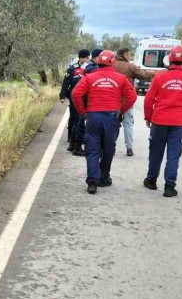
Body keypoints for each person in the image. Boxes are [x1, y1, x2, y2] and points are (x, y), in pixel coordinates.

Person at [71, 50, 138, 194]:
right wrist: (122, 110)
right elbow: (132, 96)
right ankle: (104, 176)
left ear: (98, 61)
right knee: (108, 148)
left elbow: (76, 94)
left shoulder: (89, 77)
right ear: (112, 62)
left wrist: (83, 112)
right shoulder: (121, 78)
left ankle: (92, 182)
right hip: (111, 117)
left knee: (92, 149)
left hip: (93, 117)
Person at [142, 45, 182, 198]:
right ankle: (169, 186)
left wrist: (148, 117)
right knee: (173, 155)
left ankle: (151, 180)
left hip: (159, 121)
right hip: (178, 124)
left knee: (155, 152)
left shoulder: (159, 77)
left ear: (170, 58)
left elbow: (148, 99)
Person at [113, 47, 156, 156]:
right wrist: (156, 74)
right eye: (130, 55)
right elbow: (144, 76)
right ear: (125, 55)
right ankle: (129, 148)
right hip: (127, 100)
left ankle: (111, 145)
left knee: (112, 124)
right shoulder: (131, 67)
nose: (131, 57)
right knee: (128, 124)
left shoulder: (112, 64)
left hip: (112, 101)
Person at [59, 49, 90, 154]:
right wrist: (62, 95)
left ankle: (72, 141)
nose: (87, 59)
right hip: (74, 97)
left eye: (88, 58)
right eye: (86, 58)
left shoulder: (88, 69)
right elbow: (65, 83)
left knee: (77, 119)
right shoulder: (72, 69)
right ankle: (71, 138)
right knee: (73, 118)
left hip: (83, 97)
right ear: (81, 58)